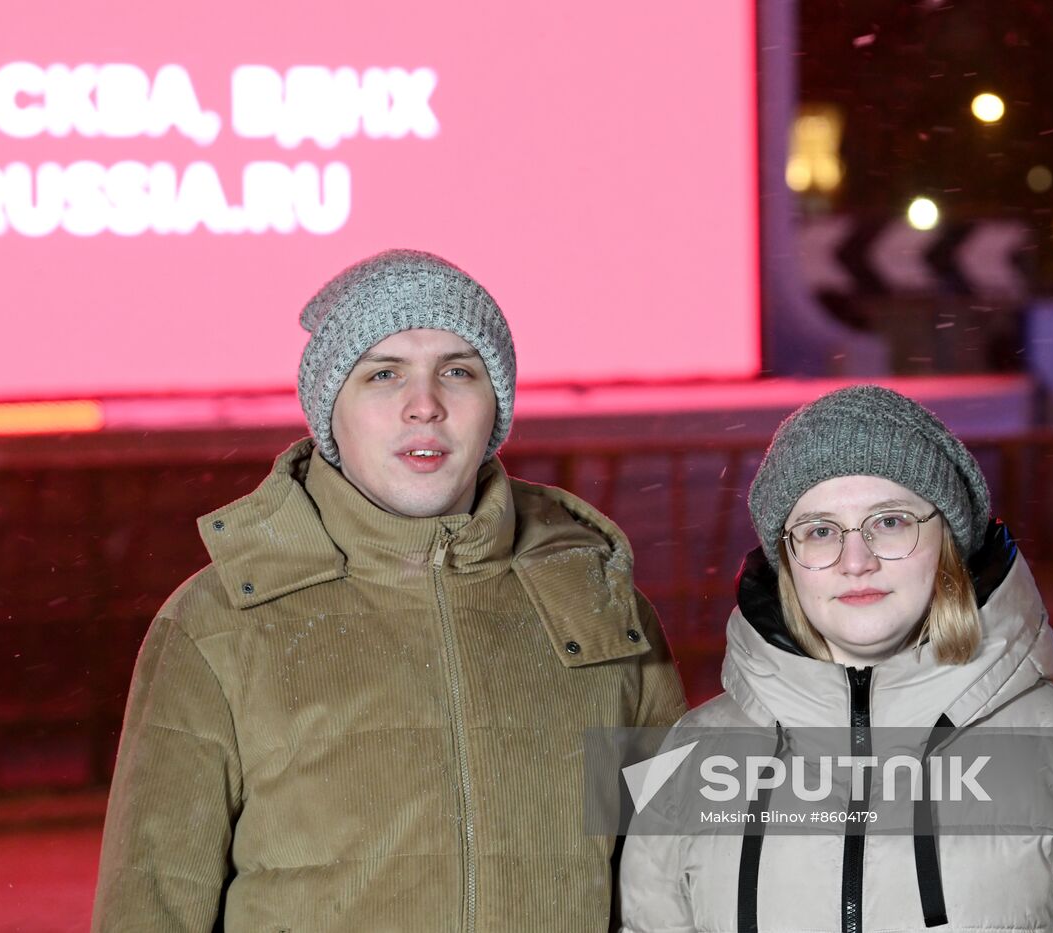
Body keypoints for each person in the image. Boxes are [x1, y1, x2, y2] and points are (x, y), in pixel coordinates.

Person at [93, 249, 687, 931]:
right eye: (383, 374)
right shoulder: (218, 622)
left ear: (497, 404)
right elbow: (151, 903)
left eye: (458, 371)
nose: (425, 405)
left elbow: (674, 883)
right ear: (329, 412)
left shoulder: (597, 602)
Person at [619, 385, 1053, 931]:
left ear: (946, 543)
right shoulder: (691, 762)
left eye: (890, 522)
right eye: (820, 531)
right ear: (786, 563)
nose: (856, 560)